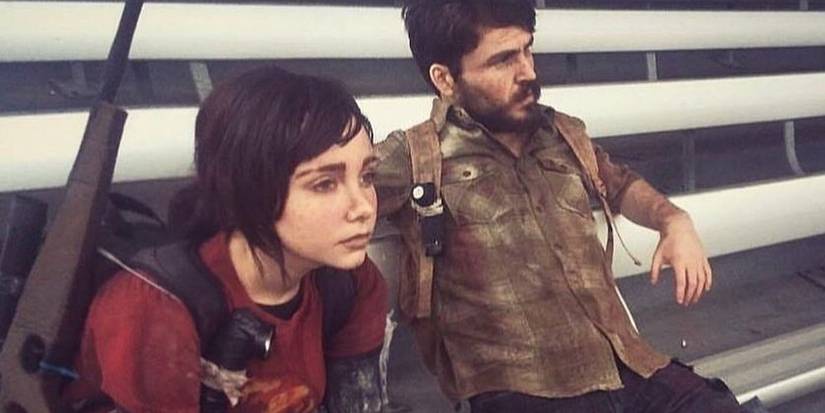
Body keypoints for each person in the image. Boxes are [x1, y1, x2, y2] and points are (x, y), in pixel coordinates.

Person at [374, 1, 745, 412]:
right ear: (444, 78)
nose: (528, 73)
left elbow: (620, 184)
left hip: (629, 366)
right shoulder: (415, 157)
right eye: (503, 60)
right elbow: (333, 192)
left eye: (527, 50)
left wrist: (674, 221)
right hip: (523, 389)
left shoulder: (563, 134)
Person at [66, 66, 388, 412]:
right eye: (324, 184)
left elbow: (358, 404)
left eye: (367, 177)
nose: (363, 207)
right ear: (250, 190)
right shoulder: (152, 308)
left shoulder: (350, 283)